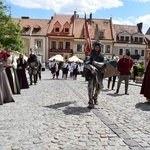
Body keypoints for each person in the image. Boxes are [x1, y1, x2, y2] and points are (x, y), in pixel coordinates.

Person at [84, 40, 107, 109]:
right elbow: (86, 63)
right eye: (96, 47)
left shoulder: (102, 55)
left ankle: (95, 97)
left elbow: (105, 63)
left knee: (100, 87)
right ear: (94, 47)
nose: (97, 48)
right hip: (92, 72)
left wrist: (95, 63)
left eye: (98, 47)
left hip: (99, 73)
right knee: (90, 87)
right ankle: (90, 102)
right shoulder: (90, 54)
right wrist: (92, 67)